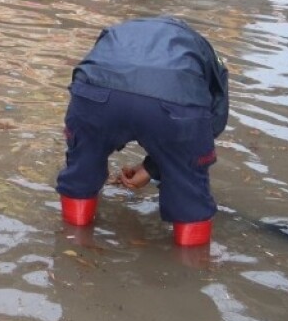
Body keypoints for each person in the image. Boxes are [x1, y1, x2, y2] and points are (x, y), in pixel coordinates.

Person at [55, 16, 228, 247]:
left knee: (82, 166)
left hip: (96, 95)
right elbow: (213, 121)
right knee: (189, 188)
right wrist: (157, 166)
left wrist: (149, 166)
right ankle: (192, 271)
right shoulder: (201, 47)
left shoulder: (115, 32)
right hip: (174, 104)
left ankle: (73, 248)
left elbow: (83, 76)